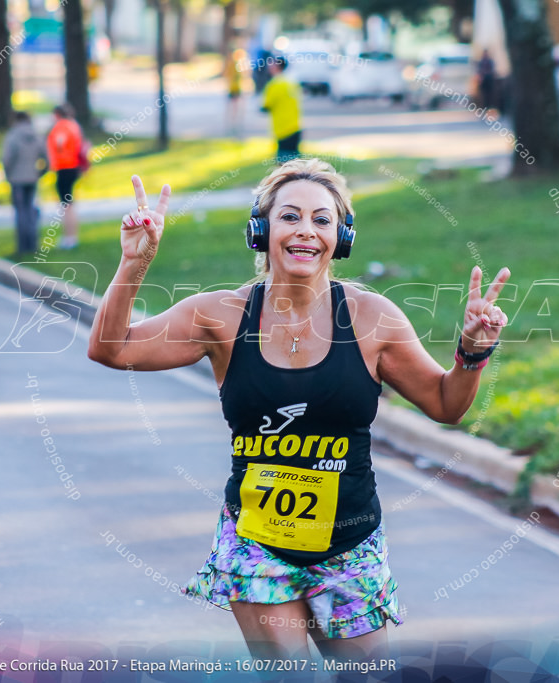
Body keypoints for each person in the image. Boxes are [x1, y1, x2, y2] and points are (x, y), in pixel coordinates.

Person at [87, 158, 511, 661]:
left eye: (322, 219)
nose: (305, 231)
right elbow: (111, 348)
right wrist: (135, 261)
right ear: (260, 230)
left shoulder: (372, 318)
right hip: (258, 544)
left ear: (342, 237)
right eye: (289, 217)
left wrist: (472, 352)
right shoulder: (220, 315)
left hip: (350, 544)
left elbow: (445, 403)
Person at [2, 111, 48, 254]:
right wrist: (39, 173)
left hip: (17, 179)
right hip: (32, 178)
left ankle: (22, 246)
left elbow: (7, 159)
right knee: (31, 210)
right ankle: (33, 244)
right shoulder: (36, 135)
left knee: (20, 212)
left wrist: (8, 174)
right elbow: (47, 159)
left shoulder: (13, 135)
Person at [46, 104, 84, 249]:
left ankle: (69, 237)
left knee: (66, 204)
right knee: (68, 203)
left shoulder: (61, 127)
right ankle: (70, 236)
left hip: (65, 167)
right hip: (73, 166)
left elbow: (59, 145)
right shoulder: (74, 125)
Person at [261, 55, 302, 163]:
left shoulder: (274, 85)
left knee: (283, 165)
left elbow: (265, 106)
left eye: (272, 63)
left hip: (282, 129)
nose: (269, 66)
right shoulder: (291, 83)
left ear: (277, 66)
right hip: (295, 126)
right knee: (295, 163)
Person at [226, 48, 249, 138]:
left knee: (234, 107)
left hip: (234, 87)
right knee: (237, 107)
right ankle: (235, 124)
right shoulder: (239, 64)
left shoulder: (232, 63)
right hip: (237, 88)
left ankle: (234, 124)